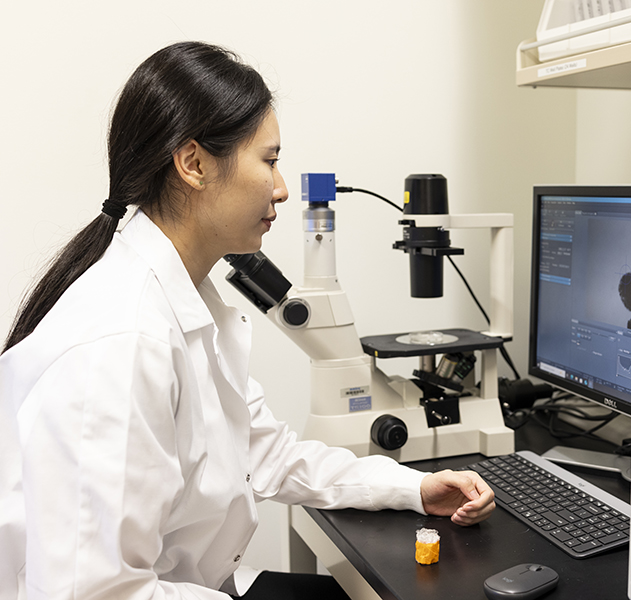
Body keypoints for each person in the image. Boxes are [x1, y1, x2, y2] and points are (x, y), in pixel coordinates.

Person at [0, 41, 494, 599]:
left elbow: (268, 453)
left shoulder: (191, 300)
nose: (281, 188)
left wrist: (415, 488)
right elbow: (93, 594)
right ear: (194, 164)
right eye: (270, 160)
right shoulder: (121, 343)